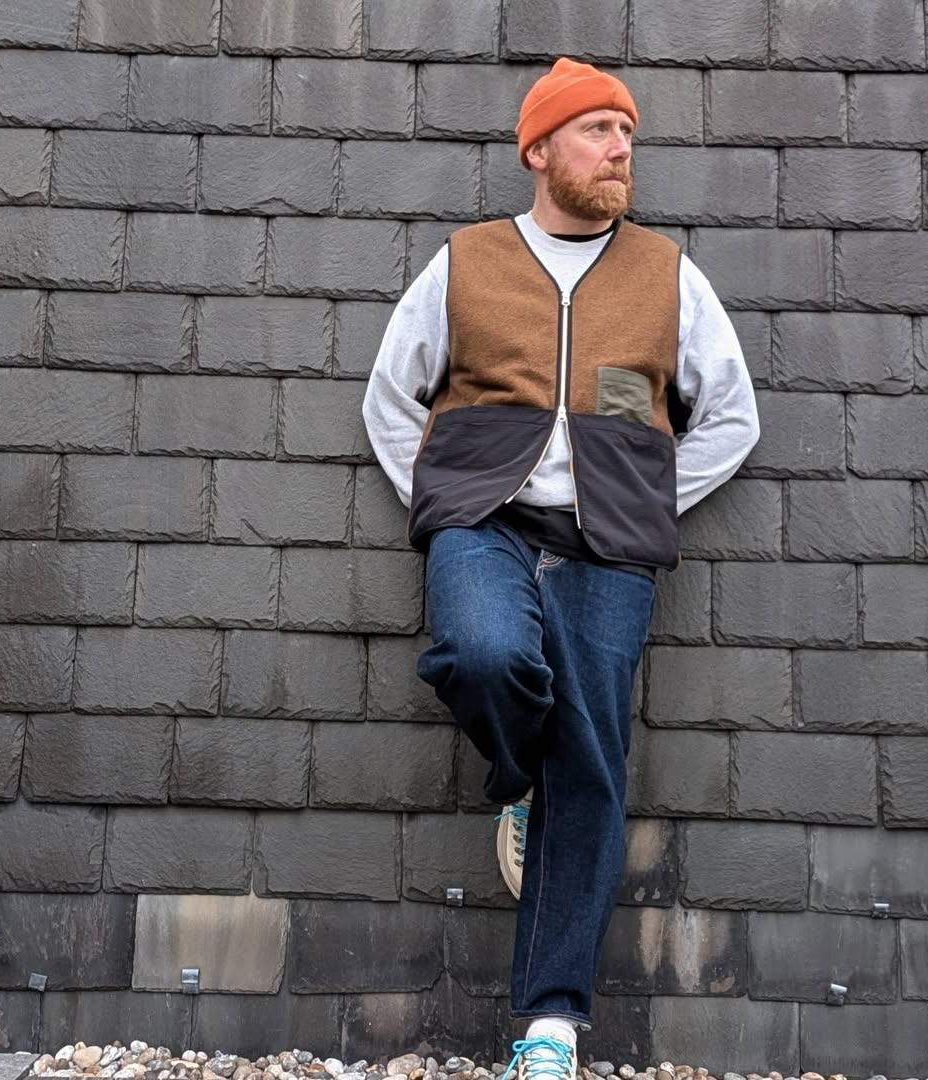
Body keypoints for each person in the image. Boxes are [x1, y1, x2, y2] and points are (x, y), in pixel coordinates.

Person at [362, 56, 759, 1080]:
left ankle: (550, 1025)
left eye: (626, 132)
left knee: (590, 761)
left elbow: (731, 418)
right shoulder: (467, 261)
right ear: (537, 149)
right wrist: (445, 495)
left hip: (609, 546)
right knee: (485, 654)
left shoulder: (668, 275)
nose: (620, 148)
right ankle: (513, 779)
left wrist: (639, 502)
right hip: (485, 525)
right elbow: (390, 396)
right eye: (595, 131)